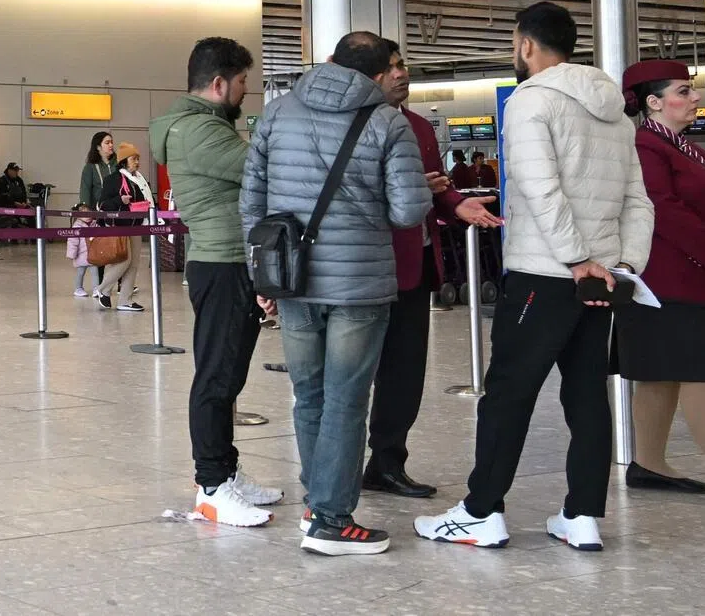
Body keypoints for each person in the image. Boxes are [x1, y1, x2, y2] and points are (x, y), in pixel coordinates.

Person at [415, 2, 653, 554]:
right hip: (603, 278)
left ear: (525, 45)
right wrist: (622, 265)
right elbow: (638, 201)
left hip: (544, 274)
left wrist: (574, 260)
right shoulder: (616, 112)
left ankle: (480, 511)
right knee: (587, 394)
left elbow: (542, 190)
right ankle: (583, 515)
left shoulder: (529, 101)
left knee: (508, 393)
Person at [241, 31, 431, 556]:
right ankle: (332, 519)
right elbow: (408, 212)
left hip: (293, 278)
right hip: (358, 282)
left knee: (311, 393)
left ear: (329, 62)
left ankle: (315, 501)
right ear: (376, 74)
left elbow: (251, 198)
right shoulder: (388, 121)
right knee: (347, 400)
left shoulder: (278, 113)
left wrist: (264, 272)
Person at [150, 37, 280, 528]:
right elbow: (260, 169)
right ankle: (211, 486)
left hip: (230, 263)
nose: (247, 91)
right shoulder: (198, 132)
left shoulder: (206, 126)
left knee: (228, 375)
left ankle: (226, 472)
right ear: (220, 82)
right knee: (217, 377)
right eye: (244, 81)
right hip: (222, 265)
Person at [364, 41, 504, 499]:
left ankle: (387, 462)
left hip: (416, 263)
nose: (401, 74)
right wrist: (406, 186)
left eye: (402, 65)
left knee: (404, 372)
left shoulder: (420, 126)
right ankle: (336, 468)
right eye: (390, 68)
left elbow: (434, 186)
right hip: (364, 266)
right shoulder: (353, 126)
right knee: (350, 372)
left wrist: (456, 201)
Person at [615, 62, 705, 514]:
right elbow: (665, 209)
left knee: (662, 374)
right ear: (654, 102)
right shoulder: (644, 146)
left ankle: (648, 463)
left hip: (691, 278)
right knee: (701, 374)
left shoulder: (692, 150)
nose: (695, 97)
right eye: (683, 91)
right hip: (662, 280)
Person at [79, 131, 124, 308]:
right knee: (104, 249)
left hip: (119, 211)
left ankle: (120, 283)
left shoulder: (118, 165)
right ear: (98, 147)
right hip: (100, 213)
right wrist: (85, 208)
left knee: (120, 247)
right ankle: (101, 286)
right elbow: (85, 189)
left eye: (112, 142)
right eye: (107, 142)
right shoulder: (90, 167)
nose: (111, 145)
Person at [67, 202, 96, 297]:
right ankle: (78, 288)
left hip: (93, 255)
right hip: (80, 255)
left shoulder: (94, 224)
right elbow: (72, 241)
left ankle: (96, 288)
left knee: (95, 273)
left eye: (89, 213)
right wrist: (72, 254)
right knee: (80, 273)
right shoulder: (77, 226)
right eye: (84, 214)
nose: (87, 216)